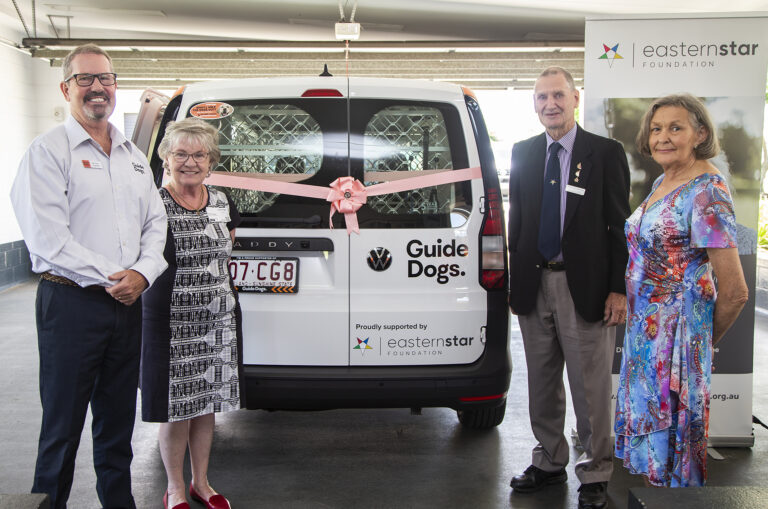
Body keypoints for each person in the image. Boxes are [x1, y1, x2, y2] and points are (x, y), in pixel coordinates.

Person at [9, 44, 168, 508]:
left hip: (126, 305)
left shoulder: (133, 156)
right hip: (72, 305)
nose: (98, 87)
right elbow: (46, 239)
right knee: (61, 427)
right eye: (85, 79)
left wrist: (142, 273)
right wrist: (118, 276)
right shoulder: (47, 152)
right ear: (65, 88)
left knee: (118, 424)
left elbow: (155, 222)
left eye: (106, 79)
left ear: (116, 87)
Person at [507, 66, 631, 509]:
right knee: (541, 381)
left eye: (558, 95)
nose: (550, 104)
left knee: (590, 386)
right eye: (541, 97)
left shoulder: (605, 152)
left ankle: (596, 471)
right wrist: (514, 283)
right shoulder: (523, 153)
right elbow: (517, 225)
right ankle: (549, 459)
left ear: (575, 99)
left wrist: (618, 288)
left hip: (586, 287)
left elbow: (620, 227)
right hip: (533, 283)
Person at [614, 94, 748, 487]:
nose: (663, 137)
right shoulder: (664, 180)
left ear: (700, 133)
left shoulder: (707, 190)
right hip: (646, 341)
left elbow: (736, 290)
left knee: (671, 465)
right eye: (657, 129)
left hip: (675, 345)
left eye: (676, 128)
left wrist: (697, 346)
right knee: (653, 463)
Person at [140, 117, 242, 509]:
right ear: (166, 157)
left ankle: (202, 482)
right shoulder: (153, 203)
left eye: (199, 154)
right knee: (177, 407)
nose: (190, 161)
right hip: (171, 322)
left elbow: (227, 249)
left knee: (207, 403)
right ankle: (175, 488)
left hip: (217, 320)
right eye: (181, 153)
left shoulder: (220, 200)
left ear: (210, 161)